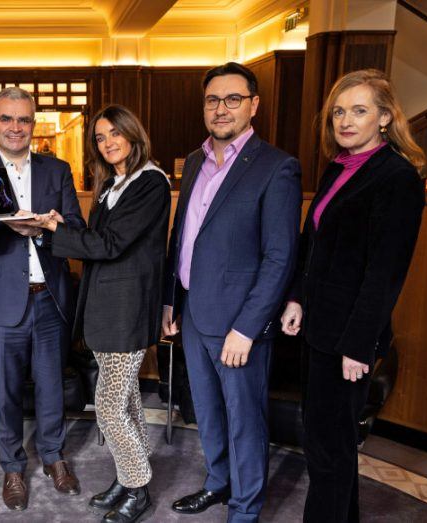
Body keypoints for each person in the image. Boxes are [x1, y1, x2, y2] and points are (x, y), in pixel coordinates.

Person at [280, 69, 425, 523]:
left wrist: (358, 344)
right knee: (326, 441)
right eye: (339, 111)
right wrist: (297, 297)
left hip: (349, 339)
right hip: (319, 326)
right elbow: (314, 242)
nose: (345, 120)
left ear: (384, 118)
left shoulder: (397, 178)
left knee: (329, 446)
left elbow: (385, 272)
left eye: (359, 111)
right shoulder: (338, 167)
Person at [162, 62, 302, 522]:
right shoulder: (197, 160)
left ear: (253, 104)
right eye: (212, 100)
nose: (221, 109)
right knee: (207, 412)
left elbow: (279, 258)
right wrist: (171, 299)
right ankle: (219, 484)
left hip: (239, 326)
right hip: (193, 315)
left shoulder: (276, 167)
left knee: (245, 421)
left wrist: (247, 328)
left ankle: (244, 509)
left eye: (232, 99)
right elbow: (183, 236)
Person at [34, 104, 171, 523]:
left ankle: (138, 486)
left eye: (115, 133)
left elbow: (111, 245)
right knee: (125, 401)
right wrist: (65, 226)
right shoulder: (114, 184)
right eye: (100, 137)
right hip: (105, 308)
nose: (108, 142)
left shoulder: (150, 183)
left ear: (133, 134)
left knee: (109, 405)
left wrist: (58, 231)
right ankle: (127, 479)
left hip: (127, 310)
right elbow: (97, 239)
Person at [0, 86, 86, 511]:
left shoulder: (58, 169)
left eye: (24, 119)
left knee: (51, 385)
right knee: (6, 390)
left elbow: (76, 231)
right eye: (7, 119)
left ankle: (54, 457)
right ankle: (12, 467)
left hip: (49, 297)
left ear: (34, 124)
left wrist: (47, 230)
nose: (16, 127)